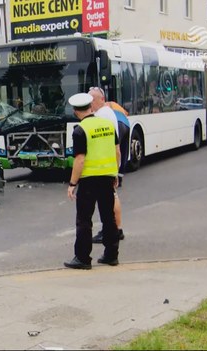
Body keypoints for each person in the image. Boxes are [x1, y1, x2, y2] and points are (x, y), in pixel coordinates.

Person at [64, 93, 121, 270]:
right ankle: (111, 255)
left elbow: (80, 160)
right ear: (91, 107)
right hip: (107, 178)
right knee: (108, 218)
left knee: (84, 220)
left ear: (75, 111)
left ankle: (83, 258)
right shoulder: (108, 125)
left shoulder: (81, 130)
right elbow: (117, 152)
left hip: (88, 181)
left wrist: (72, 184)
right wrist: (115, 174)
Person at [89, 87, 126, 243]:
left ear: (101, 99)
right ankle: (114, 229)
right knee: (111, 197)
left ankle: (114, 230)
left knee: (111, 198)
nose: (90, 103)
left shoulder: (102, 115)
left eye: (92, 100)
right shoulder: (107, 113)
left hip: (105, 164)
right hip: (109, 163)